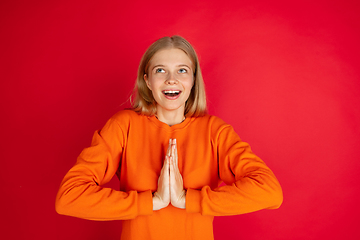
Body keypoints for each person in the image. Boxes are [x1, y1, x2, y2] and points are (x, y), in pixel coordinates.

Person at [55, 36, 283, 240]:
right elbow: (69, 197)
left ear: (193, 80)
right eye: (160, 70)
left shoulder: (215, 131)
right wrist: (154, 201)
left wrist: (187, 200)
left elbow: (269, 192)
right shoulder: (123, 126)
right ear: (147, 80)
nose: (171, 79)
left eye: (182, 70)